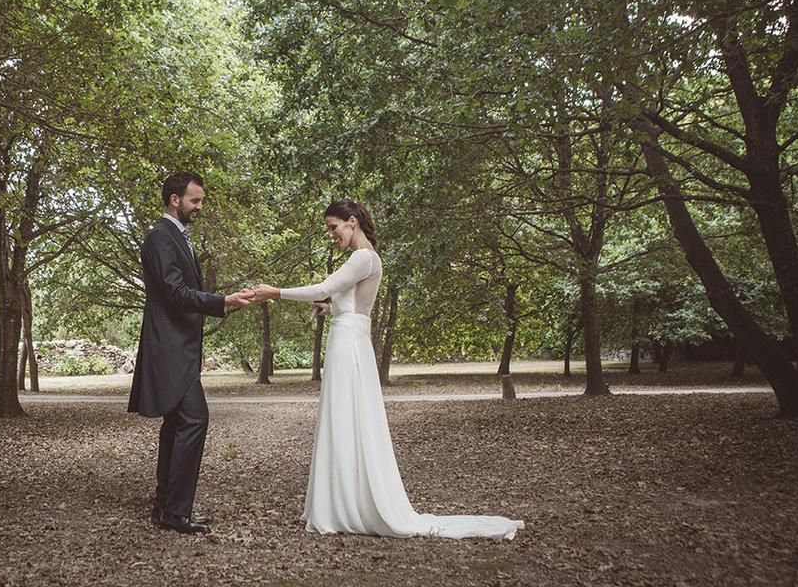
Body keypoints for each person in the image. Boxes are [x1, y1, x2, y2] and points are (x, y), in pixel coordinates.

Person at [249, 199, 525, 540]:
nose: (331, 235)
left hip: (348, 345)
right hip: (349, 339)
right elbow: (347, 302)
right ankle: (340, 502)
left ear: (352, 222)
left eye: (334, 227)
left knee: (346, 418)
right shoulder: (364, 258)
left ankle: (344, 505)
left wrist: (274, 292)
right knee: (344, 419)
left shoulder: (363, 256)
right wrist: (330, 307)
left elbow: (325, 287)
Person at [128, 170, 253, 534]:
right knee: (194, 419)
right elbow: (175, 293)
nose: (199, 207)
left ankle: (164, 507)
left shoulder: (176, 236)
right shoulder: (160, 237)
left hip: (180, 349)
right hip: (167, 349)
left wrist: (196, 348)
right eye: (194, 200)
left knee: (177, 423)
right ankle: (175, 512)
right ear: (174, 200)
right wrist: (223, 300)